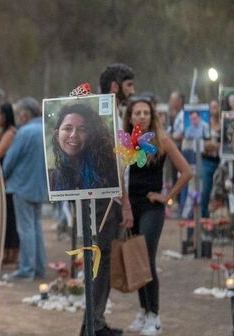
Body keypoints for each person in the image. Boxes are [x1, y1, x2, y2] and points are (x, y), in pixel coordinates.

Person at [122, 97, 193, 336]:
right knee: (136, 259)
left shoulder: (161, 141)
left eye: (145, 113)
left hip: (152, 207)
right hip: (131, 207)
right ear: (130, 117)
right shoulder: (126, 142)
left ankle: (155, 315)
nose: (141, 116)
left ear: (152, 116)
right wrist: (124, 205)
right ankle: (143, 311)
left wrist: (167, 196)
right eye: (137, 113)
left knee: (146, 256)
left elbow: (186, 172)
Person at [84, 63, 136, 336]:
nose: (133, 91)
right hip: (106, 197)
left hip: (110, 196)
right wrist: (123, 201)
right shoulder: (104, 114)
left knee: (103, 260)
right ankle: (93, 324)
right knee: (101, 260)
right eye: (129, 85)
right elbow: (113, 163)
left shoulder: (112, 112)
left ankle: (95, 321)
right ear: (115, 86)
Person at [1, 98, 48, 281]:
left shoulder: (25, 132)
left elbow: (10, 159)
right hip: (40, 186)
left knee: (26, 228)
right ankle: (39, 267)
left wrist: (3, 175)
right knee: (36, 227)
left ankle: (26, 269)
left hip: (22, 185)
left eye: (19, 114)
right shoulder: (46, 130)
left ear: (25, 114)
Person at [46, 102, 120, 193]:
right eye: (68, 128)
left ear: (91, 136)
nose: (73, 135)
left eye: (82, 129)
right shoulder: (52, 179)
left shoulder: (106, 173)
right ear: (57, 135)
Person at [0, 102, 21, 268]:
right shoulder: (2, 132)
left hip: (8, 182)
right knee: (6, 218)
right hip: (2, 180)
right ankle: (7, 252)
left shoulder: (10, 133)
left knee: (10, 218)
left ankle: (12, 253)